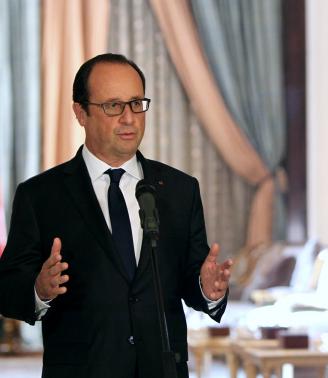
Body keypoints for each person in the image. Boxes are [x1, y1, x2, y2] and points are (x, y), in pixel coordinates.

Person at [0, 53, 233, 378]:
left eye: (137, 103)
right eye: (113, 105)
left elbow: (189, 279)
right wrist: (39, 289)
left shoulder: (179, 190)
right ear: (81, 113)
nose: (129, 118)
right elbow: (7, 290)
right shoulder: (40, 195)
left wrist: (207, 289)